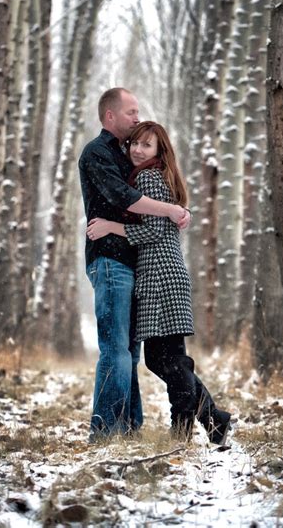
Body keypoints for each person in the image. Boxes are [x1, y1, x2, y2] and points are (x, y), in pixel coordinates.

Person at [87, 121, 234, 446]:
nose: (138, 149)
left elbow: (154, 231)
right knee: (168, 358)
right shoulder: (158, 176)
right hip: (163, 275)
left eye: (147, 145)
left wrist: (111, 226)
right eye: (135, 143)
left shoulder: (149, 177)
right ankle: (212, 421)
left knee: (166, 360)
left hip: (161, 277)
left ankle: (187, 430)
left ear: (159, 151)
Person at [79, 89, 190, 442]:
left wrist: (173, 207)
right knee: (115, 349)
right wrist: (171, 211)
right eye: (131, 112)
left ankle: (129, 428)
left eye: (138, 112)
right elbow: (122, 198)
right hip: (110, 261)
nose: (137, 118)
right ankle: (106, 433)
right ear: (109, 116)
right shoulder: (97, 153)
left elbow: (148, 204)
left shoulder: (128, 157)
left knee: (129, 351)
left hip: (135, 264)